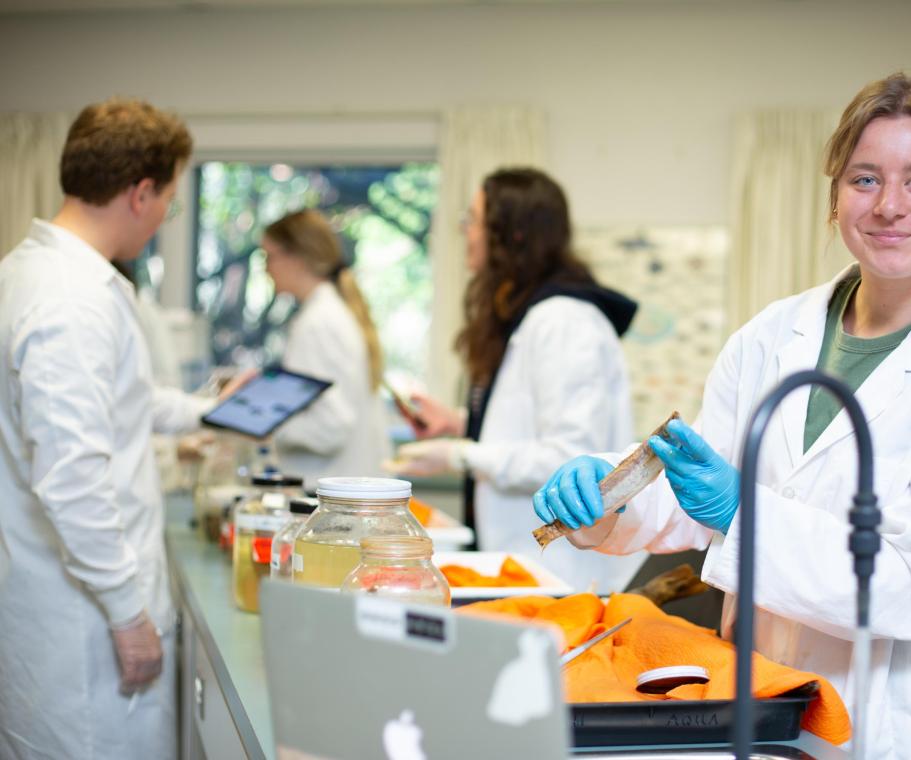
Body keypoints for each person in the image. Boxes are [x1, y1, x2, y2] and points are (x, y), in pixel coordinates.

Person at [533, 73, 911, 758]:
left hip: (885, 717)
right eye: (865, 179)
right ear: (835, 195)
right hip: (760, 692)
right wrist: (605, 495)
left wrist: (740, 515)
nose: (890, 206)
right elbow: (696, 493)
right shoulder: (775, 334)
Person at [0, 98, 246, 759]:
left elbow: (126, 402)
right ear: (141, 193)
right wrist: (128, 614)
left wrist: (212, 408)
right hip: (83, 630)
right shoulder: (69, 302)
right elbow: (71, 478)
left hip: (73, 611)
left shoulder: (43, 275)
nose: (167, 214)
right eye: (170, 198)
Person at [388, 168, 646, 593]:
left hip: (564, 572)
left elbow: (568, 456)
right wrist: (459, 423)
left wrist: (461, 455)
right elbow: (529, 420)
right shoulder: (535, 315)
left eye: (473, 220)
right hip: (532, 566)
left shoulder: (564, 320)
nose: (466, 232)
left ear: (514, 234)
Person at [262, 209, 391, 485]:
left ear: (297, 257)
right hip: (348, 488)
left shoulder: (317, 323)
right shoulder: (332, 311)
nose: (266, 269)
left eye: (269, 256)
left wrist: (265, 421)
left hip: (333, 493)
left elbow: (329, 427)